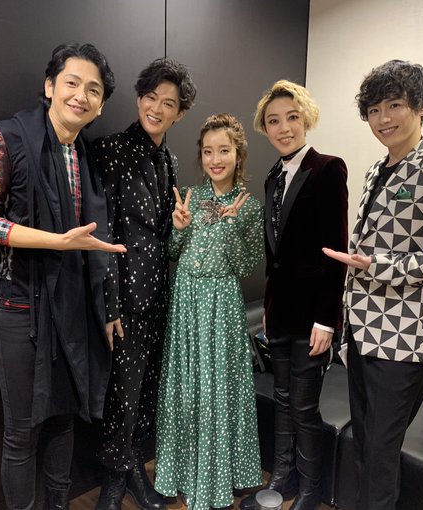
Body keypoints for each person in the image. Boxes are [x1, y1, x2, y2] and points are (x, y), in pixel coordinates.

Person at [0, 43, 125, 510]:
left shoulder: (85, 156)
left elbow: (97, 241)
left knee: (64, 418)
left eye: (93, 90)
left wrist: (107, 308)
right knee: (21, 432)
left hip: (72, 306)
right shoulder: (3, 136)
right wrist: (56, 242)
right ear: (50, 86)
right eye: (72, 83)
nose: (81, 96)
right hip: (18, 307)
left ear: (101, 105)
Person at [323, 59, 423, 510]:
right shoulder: (377, 170)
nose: (383, 118)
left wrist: (380, 265)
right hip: (363, 332)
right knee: (365, 444)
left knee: (380, 451)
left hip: (406, 338)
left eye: (394, 105)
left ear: (421, 106)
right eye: (373, 110)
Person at [92, 58, 196, 510]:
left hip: (160, 298)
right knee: (122, 396)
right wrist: (111, 306)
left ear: (180, 113)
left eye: (168, 103)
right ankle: (114, 482)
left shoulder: (170, 160)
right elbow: (103, 233)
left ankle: (136, 469)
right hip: (126, 300)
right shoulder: (110, 150)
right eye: (150, 97)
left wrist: (181, 227)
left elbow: (164, 237)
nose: (156, 108)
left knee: (148, 393)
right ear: (138, 99)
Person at [240, 80, 349, 510]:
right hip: (280, 314)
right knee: (283, 402)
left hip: (312, 317)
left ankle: (310, 488)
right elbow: (275, 257)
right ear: (264, 128)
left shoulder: (328, 169)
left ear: (306, 119)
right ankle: (283, 478)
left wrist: (327, 320)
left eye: (291, 117)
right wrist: (268, 307)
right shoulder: (272, 176)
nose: (283, 128)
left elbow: (335, 253)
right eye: (273, 121)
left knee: (303, 407)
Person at [154, 113, 264, 510]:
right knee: (185, 388)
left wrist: (232, 226)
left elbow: (247, 265)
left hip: (221, 305)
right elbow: (172, 252)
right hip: (186, 300)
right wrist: (178, 227)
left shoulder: (249, 207)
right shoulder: (190, 196)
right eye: (208, 152)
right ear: (200, 156)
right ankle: (180, 473)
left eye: (224, 151)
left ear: (238, 154)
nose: (216, 159)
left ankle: (219, 477)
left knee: (217, 389)